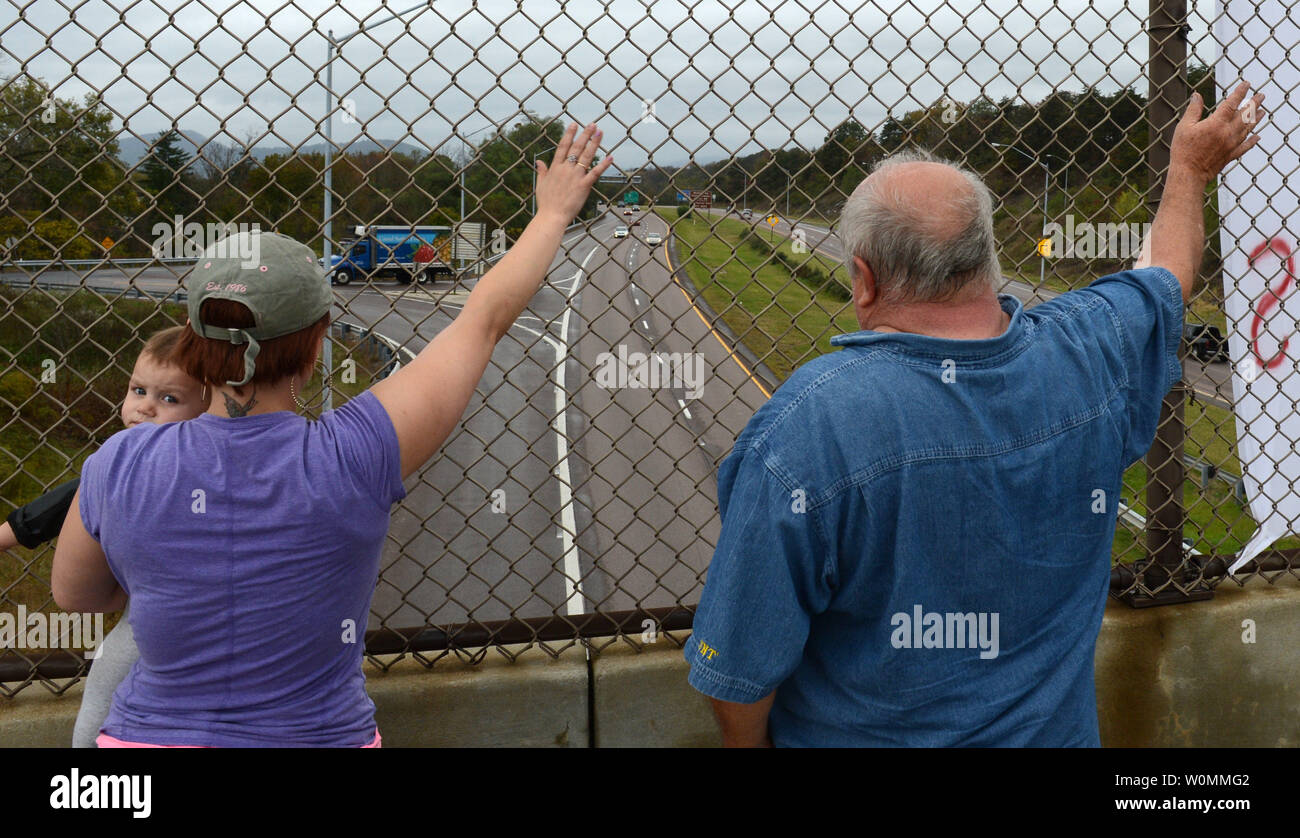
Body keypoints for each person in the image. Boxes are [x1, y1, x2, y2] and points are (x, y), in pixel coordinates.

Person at [684, 85, 1263, 746]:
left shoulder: (808, 429)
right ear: (988, 260)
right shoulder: (1086, 353)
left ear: (864, 279)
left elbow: (738, 686)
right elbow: (1168, 273)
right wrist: (1189, 170)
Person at [50, 122, 610, 747]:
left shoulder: (120, 460)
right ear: (316, 346)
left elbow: (78, 595)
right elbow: (483, 319)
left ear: (192, 343)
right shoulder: (355, 452)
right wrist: (554, 212)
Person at [0, 325, 208, 747]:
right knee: (110, 686)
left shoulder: (203, 460)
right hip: (157, 611)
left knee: (110, 683)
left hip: (163, 619)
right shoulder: (118, 464)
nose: (145, 408)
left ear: (211, 410)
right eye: (138, 390)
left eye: (169, 398)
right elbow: (63, 502)